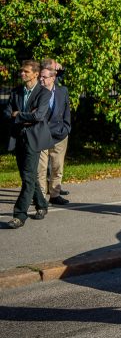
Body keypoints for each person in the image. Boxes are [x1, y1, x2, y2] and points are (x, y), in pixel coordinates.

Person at [4, 60, 54, 228]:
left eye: (26, 71)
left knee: (27, 177)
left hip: (34, 139)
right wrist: (24, 116)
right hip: (18, 138)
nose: (22, 74)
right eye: (21, 71)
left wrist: (18, 115)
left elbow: (38, 116)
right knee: (29, 176)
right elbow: (6, 113)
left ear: (35, 74)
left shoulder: (44, 93)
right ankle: (42, 204)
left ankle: (19, 215)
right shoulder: (16, 91)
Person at [37, 60, 72, 206]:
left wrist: (66, 128)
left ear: (53, 78)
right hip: (41, 135)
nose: (41, 79)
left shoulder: (62, 91)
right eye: (40, 77)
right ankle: (40, 197)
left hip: (59, 135)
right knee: (41, 169)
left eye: (44, 77)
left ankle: (55, 194)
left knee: (57, 167)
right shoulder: (36, 92)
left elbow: (66, 111)